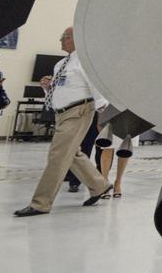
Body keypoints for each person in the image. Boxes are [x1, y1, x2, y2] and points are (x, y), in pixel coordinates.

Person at [14, 27, 112, 216]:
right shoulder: (60, 65)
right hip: (61, 114)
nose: (61, 40)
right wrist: (47, 87)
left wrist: (103, 111)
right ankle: (100, 185)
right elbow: (62, 89)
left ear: (74, 39)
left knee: (57, 155)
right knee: (72, 154)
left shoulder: (85, 61)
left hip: (79, 111)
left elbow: (95, 85)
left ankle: (40, 203)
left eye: (64, 37)